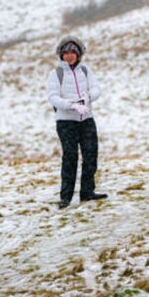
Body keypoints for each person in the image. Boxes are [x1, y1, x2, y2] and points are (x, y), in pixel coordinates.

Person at [47, 36, 107, 209]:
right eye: (66, 53)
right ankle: (65, 197)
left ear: (79, 54)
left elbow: (96, 89)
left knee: (90, 155)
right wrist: (71, 105)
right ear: (61, 55)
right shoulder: (55, 73)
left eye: (73, 52)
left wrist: (86, 98)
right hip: (66, 123)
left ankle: (87, 192)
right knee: (70, 158)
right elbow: (52, 97)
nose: (69, 56)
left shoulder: (86, 70)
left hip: (86, 119)